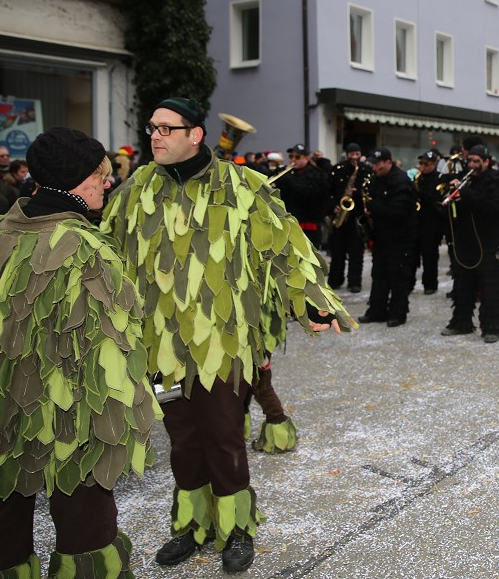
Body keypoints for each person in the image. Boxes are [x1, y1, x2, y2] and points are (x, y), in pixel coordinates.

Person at [100, 97, 351, 572]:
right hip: (162, 348)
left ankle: (236, 527)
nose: (155, 136)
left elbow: (285, 250)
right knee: (181, 439)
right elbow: (110, 258)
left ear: (195, 134)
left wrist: (313, 301)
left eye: (167, 129)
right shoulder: (134, 192)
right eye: (152, 127)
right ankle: (193, 526)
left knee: (222, 437)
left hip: (223, 344)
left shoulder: (242, 186)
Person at [0, 128, 156, 578]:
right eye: (100, 175)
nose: (107, 183)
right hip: (71, 413)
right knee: (85, 522)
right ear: (77, 180)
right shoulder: (85, 247)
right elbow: (112, 344)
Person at [441, 145, 499, 342]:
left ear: (486, 162)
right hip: (465, 240)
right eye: (470, 161)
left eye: (476, 162)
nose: (472, 165)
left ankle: (492, 328)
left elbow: (493, 209)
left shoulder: (498, 182)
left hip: (487, 242)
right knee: (462, 284)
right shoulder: (465, 179)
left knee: (489, 286)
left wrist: (466, 193)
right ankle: (461, 323)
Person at [358, 147, 417, 327]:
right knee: (379, 274)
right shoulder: (376, 179)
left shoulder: (402, 182)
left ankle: (398, 313)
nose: (374, 169)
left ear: (388, 162)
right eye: (373, 165)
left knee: (398, 275)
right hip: (382, 236)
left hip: (400, 237)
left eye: (378, 165)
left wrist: (374, 206)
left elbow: (398, 212)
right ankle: (377, 311)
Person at [328, 142, 368, 293]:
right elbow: (329, 191)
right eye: (352, 154)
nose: (355, 157)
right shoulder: (337, 170)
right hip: (340, 215)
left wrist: (356, 193)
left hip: (357, 216)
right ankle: (335, 279)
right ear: (346, 154)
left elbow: (368, 193)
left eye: (357, 154)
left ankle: (354, 282)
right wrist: (334, 206)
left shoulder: (365, 170)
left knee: (356, 252)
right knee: (337, 250)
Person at [272, 142, 329, 248]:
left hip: (308, 223)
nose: (293, 160)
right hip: (288, 221)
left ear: (307, 158)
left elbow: (310, 195)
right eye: (291, 156)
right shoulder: (285, 172)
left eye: (297, 157)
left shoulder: (316, 174)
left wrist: (290, 181)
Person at [412, 149, 446, 294]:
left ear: (434, 164)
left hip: (432, 224)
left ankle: (430, 285)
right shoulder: (419, 178)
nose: (423, 166)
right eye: (421, 163)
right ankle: (409, 283)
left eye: (426, 163)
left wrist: (422, 194)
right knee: (412, 256)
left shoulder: (439, 179)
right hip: (417, 222)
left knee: (430, 257)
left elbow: (438, 201)